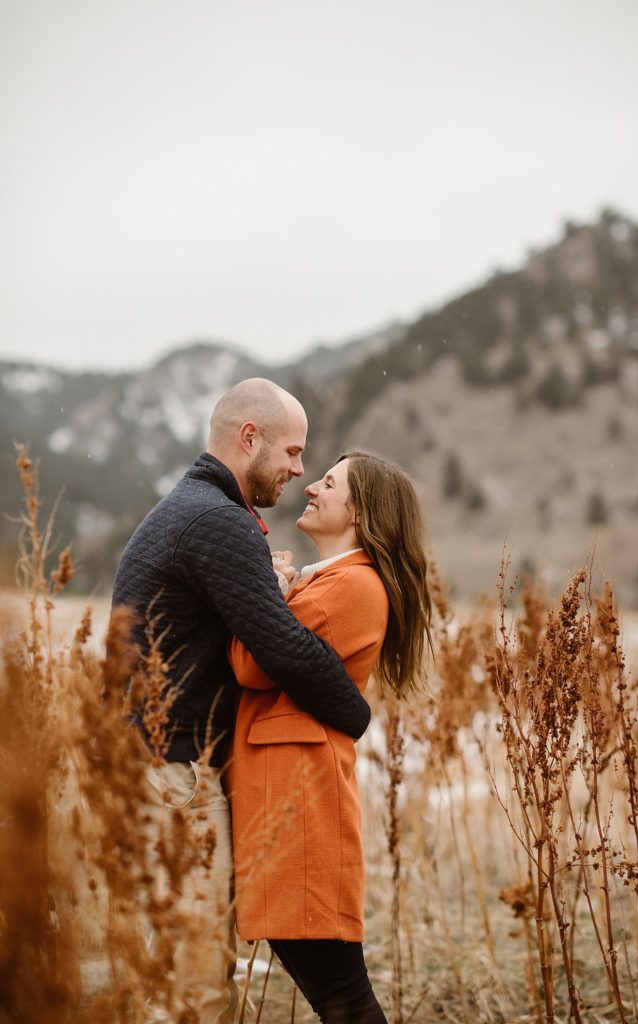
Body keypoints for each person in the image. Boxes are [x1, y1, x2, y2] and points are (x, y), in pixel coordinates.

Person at [111, 379, 371, 1024]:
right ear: (247, 438)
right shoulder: (215, 520)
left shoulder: (195, 509)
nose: (299, 469)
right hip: (174, 776)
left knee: (188, 969)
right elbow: (280, 649)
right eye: (291, 450)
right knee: (192, 985)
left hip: (160, 769)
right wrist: (357, 714)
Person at [229, 450, 433, 1024]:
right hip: (289, 795)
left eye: (330, 482)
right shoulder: (333, 581)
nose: (311, 485)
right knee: (338, 991)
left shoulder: (353, 586)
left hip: (300, 805)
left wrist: (265, 589)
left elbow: (250, 662)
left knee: (343, 996)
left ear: (362, 512)